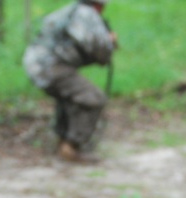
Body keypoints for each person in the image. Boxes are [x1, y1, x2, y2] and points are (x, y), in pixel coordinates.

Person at [23, 0, 116, 162]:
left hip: (38, 64)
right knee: (93, 97)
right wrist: (110, 41)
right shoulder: (86, 14)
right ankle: (71, 146)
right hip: (50, 66)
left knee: (70, 97)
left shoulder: (69, 11)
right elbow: (98, 47)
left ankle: (63, 141)